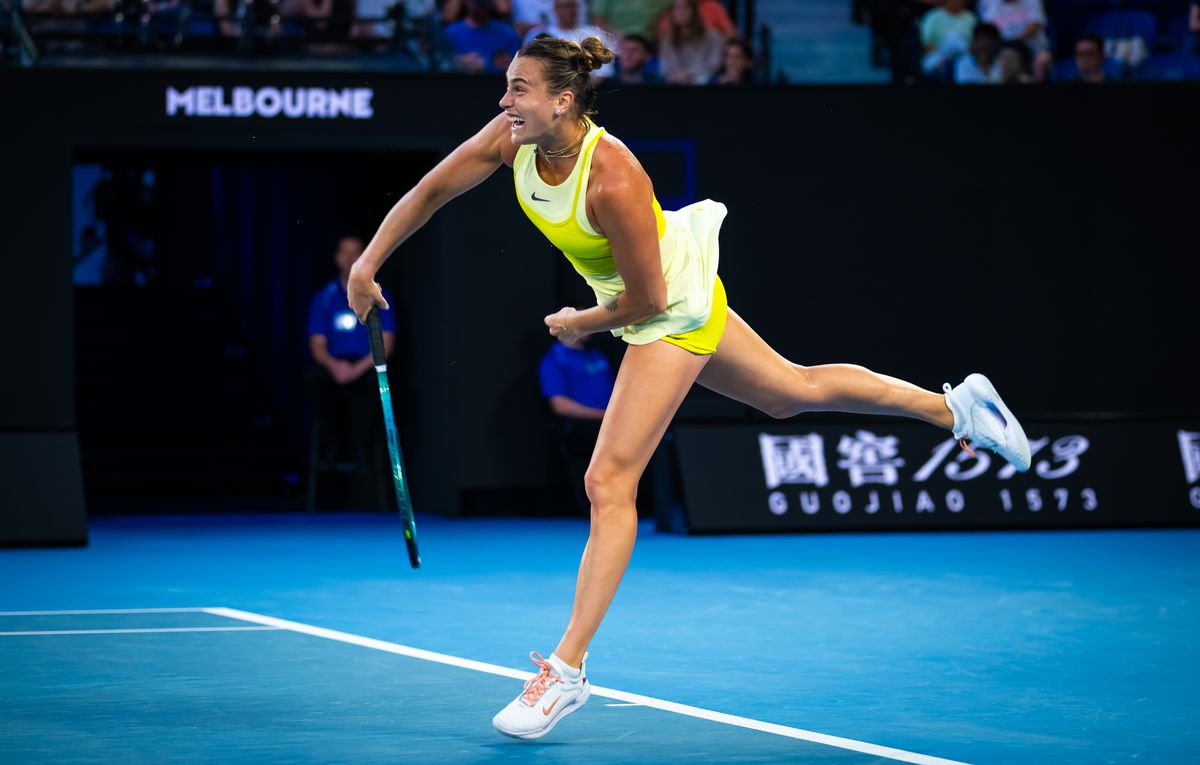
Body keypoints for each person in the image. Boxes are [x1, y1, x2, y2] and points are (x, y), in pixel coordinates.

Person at [346, 35, 1032, 740]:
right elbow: (431, 189)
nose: (504, 100)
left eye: (519, 88)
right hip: (657, 292)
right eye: (507, 85)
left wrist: (581, 321)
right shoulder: (511, 140)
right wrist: (369, 263)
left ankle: (569, 669)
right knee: (788, 391)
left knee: (608, 482)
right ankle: (956, 407)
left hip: (666, 307)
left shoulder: (612, 177)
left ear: (562, 100)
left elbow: (645, 304)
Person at [309, 235, 395, 473]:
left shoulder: (379, 295)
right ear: (337, 258)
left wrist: (357, 370)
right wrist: (334, 366)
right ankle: (332, 445)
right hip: (334, 365)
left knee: (376, 386)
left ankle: (361, 448)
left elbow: (387, 342)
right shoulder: (323, 297)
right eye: (345, 253)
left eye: (356, 252)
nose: (350, 259)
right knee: (314, 381)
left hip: (365, 365)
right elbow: (317, 345)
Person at [539, 335, 615, 513]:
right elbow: (559, 404)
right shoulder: (555, 359)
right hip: (581, 429)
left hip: (611, 425)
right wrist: (603, 416)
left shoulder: (597, 356)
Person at [523, 0, 615, 79]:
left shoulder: (594, 33)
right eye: (567, 6)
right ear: (556, 9)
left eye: (574, 6)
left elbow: (605, 69)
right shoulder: (540, 35)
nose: (571, 10)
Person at [441, 0, 522, 74]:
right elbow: (440, 65)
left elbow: (520, 69)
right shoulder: (451, 33)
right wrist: (457, 63)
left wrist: (505, 66)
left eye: (483, 3)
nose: (480, 8)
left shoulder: (508, 34)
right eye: (477, 3)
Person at [658, 0, 725, 85]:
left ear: (694, 11)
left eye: (685, 7)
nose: (681, 12)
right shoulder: (667, 40)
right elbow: (665, 69)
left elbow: (715, 65)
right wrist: (676, 76)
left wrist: (689, 75)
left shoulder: (712, 37)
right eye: (676, 9)